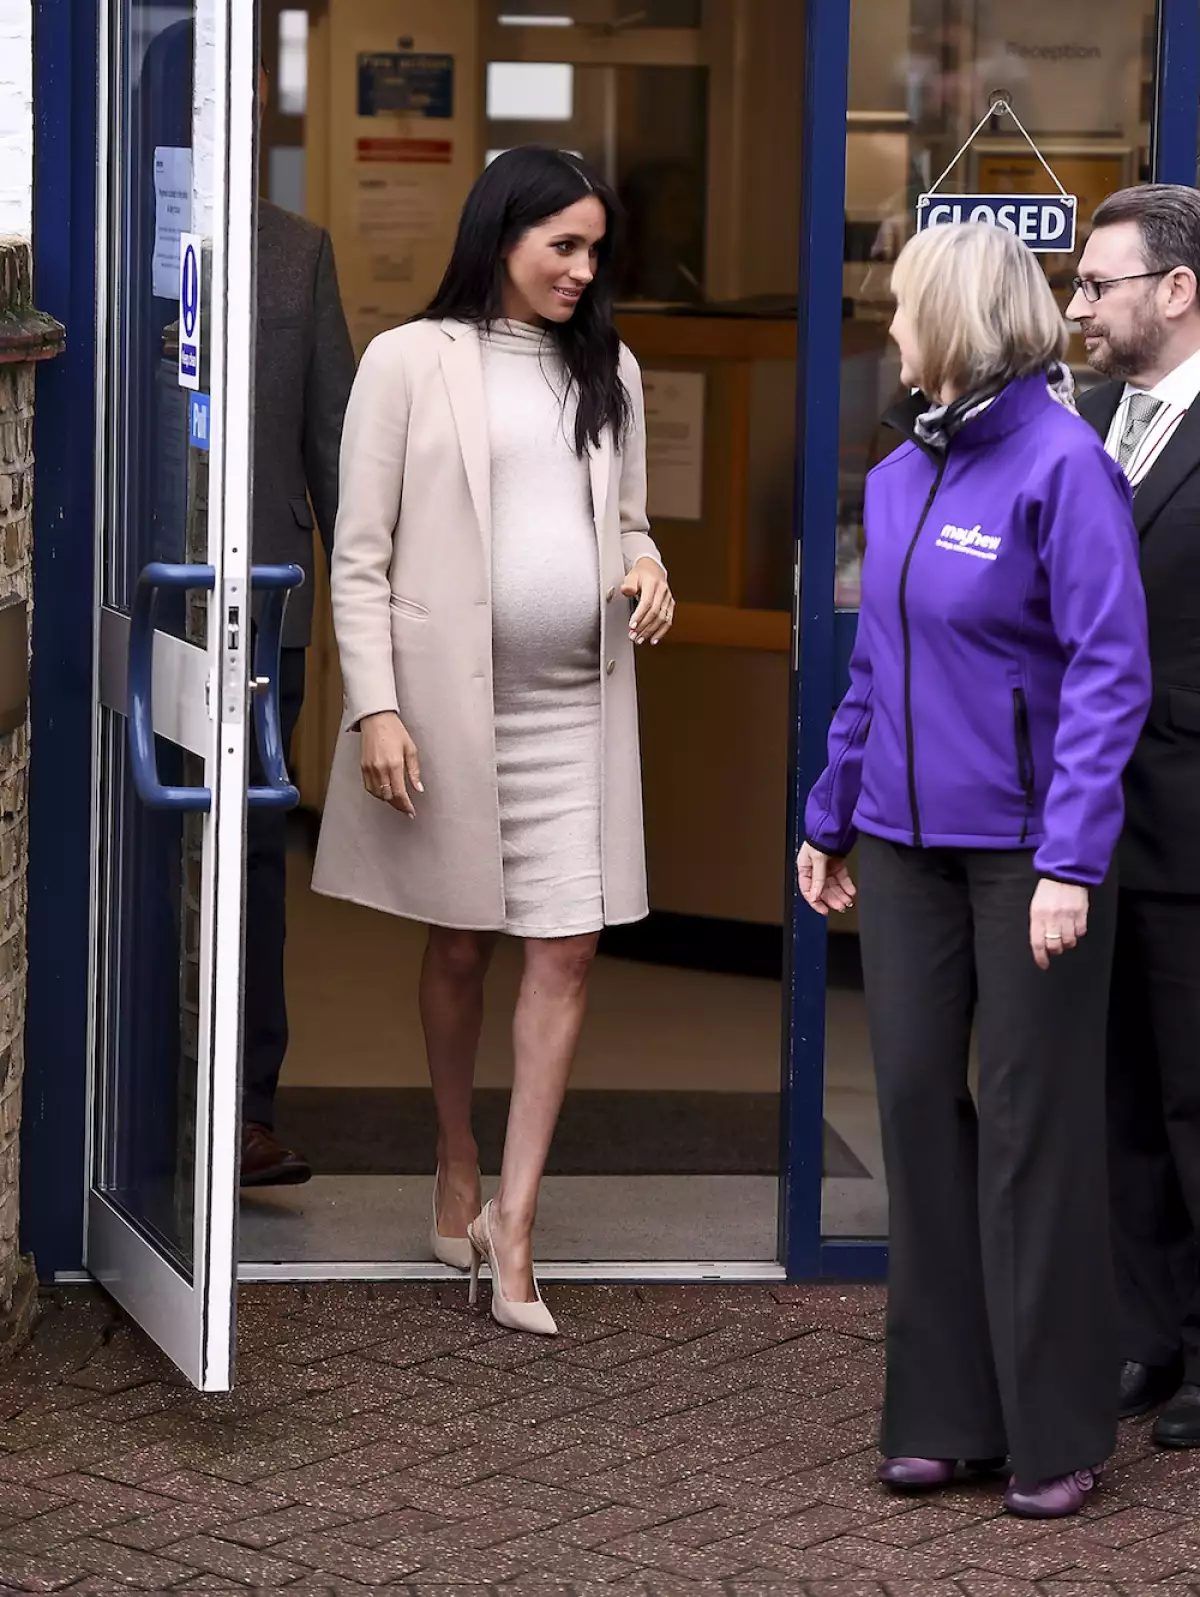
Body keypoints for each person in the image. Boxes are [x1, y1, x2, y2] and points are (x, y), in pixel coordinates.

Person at [797, 222, 1151, 1518]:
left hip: (1028, 862)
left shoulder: (1065, 467)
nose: (887, 327)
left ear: (954, 322)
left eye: (901, 309)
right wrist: (832, 814)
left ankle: (1054, 1433)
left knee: (1030, 1127)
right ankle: (944, 1416)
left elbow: (1111, 674)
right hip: (901, 848)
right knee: (913, 1115)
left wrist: (1071, 858)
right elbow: (876, 667)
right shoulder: (899, 475)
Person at [311, 146, 674, 1334]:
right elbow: (359, 552)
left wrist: (648, 571)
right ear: (500, 235)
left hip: (578, 704)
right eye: (561, 245)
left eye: (593, 250)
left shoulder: (605, 365)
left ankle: (514, 1219)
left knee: (566, 952)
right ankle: (456, 1153)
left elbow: (630, 523)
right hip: (451, 711)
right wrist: (376, 705)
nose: (582, 269)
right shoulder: (411, 360)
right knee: (463, 943)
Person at [1070, 185, 1200, 1447]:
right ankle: (1145, 1335)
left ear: (1177, 288)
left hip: (1192, 816)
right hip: (1094, 829)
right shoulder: (1092, 420)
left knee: (1194, 1100)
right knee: (1123, 1100)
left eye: (1102, 283)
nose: (1082, 305)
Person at [241, 65, 356, 1186]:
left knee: (255, 860)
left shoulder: (299, 249)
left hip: (264, 613)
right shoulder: (131, 237)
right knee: (138, 851)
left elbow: (341, 457)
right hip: (141, 599)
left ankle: (246, 1109)